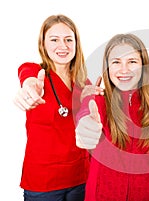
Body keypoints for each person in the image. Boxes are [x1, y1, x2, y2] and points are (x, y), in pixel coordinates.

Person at [75, 33, 149, 201]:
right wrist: (84, 122)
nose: (124, 69)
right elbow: (86, 113)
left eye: (132, 62)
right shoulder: (97, 101)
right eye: (116, 62)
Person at [13, 14, 90, 201]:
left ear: (76, 44)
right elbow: (26, 72)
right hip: (43, 183)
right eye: (54, 39)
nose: (62, 46)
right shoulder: (36, 74)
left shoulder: (83, 83)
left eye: (68, 40)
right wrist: (29, 85)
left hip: (80, 178)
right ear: (43, 44)